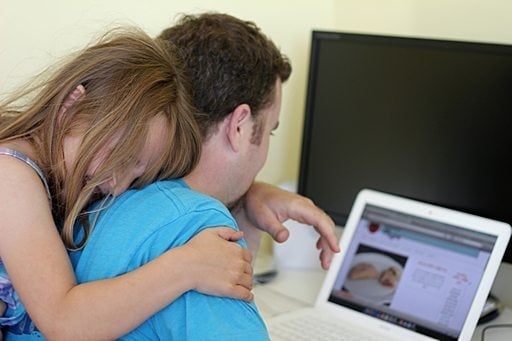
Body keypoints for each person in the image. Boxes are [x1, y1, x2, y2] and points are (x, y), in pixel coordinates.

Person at [71, 12, 338, 339]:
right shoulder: (200, 233)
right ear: (238, 126)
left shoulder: (101, 185)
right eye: (270, 131)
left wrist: (245, 200)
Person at [0, 27, 255, 340]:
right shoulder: (10, 175)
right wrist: (188, 267)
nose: (117, 186)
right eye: (121, 158)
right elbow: (64, 322)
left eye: (136, 175)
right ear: (72, 104)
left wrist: (253, 192)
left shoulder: (59, 175)